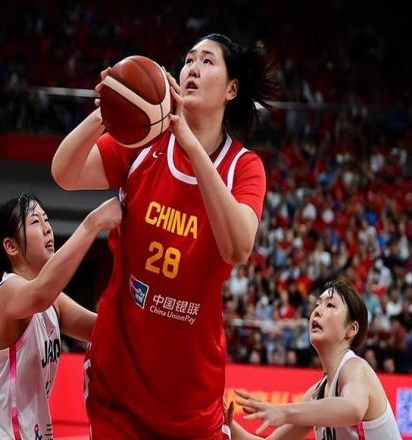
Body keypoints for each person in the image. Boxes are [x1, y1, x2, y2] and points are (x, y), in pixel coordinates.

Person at [52, 33, 277, 439]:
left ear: (231, 89)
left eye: (207, 61)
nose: (192, 68)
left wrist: (190, 144)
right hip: (118, 382)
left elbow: (238, 247)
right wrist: (107, 109)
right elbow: (65, 173)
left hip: (190, 395)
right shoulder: (144, 141)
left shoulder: (243, 167)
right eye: (188, 59)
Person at [0, 192, 121, 440]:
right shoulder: (7, 293)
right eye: (35, 221)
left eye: (47, 220)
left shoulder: (53, 302)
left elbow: (102, 329)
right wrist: (92, 224)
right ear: (11, 247)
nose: (47, 228)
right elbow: (40, 293)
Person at [232, 279, 402, 440]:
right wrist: (227, 423)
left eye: (330, 305)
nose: (318, 311)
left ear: (351, 329)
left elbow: (353, 409)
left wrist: (284, 412)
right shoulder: (316, 394)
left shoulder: (356, 368)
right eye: (317, 304)